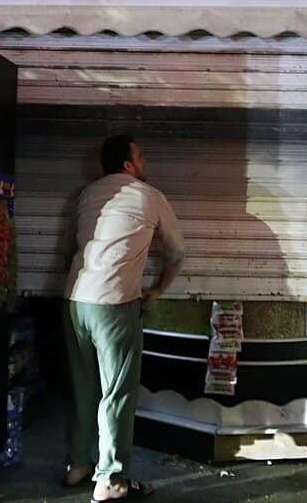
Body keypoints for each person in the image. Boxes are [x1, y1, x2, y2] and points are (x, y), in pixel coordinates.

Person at [62, 134, 185, 502]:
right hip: (114, 304)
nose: (145, 163)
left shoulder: (87, 194)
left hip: (74, 301)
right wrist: (159, 287)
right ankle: (111, 480)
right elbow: (177, 251)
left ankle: (78, 464)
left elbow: (74, 243)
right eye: (141, 156)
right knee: (116, 393)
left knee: (85, 388)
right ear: (129, 165)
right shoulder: (149, 195)